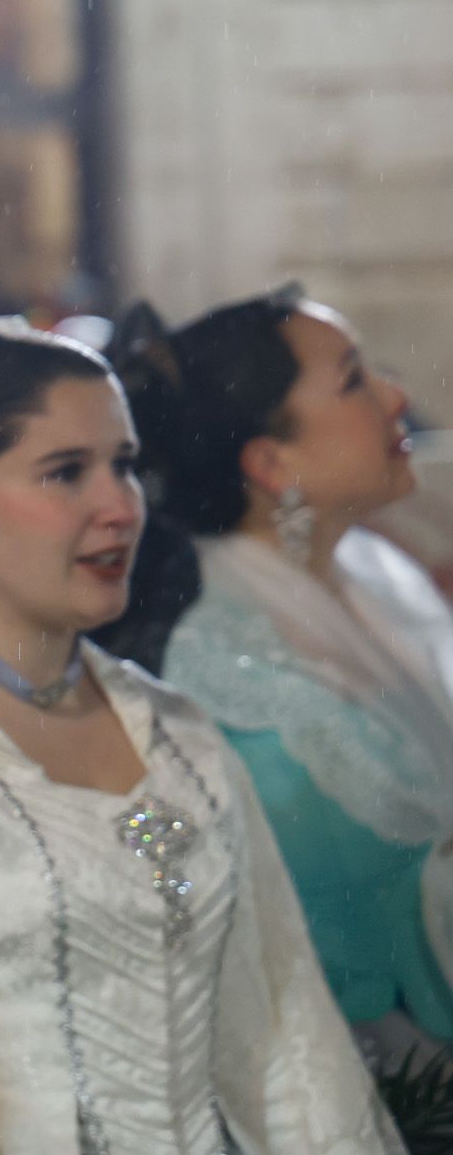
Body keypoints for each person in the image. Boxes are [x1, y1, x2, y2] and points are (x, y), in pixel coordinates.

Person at [0, 318, 399, 1152]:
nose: (119, 506)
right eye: (67, 471)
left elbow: (291, 1048)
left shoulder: (181, 736)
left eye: (125, 466)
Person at [100, 289, 453, 1075]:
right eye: (356, 378)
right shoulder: (229, 669)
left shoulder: (374, 568)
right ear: (270, 463)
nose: (396, 396)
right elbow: (340, 926)